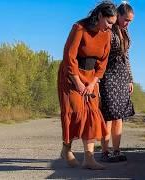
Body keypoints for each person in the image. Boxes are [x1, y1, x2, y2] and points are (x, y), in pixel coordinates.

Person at [57, 1, 117, 170]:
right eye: (108, 22)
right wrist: (77, 82)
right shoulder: (79, 28)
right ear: (99, 16)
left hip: (91, 78)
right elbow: (69, 56)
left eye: (113, 23)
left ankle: (89, 158)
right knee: (74, 113)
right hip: (71, 75)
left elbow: (102, 63)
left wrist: (92, 83)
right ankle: (66, 148)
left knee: (91, 115)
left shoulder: (107, 34)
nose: (110, 27)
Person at [99, 2, 135, 162]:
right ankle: (104, 152)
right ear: (118, 15)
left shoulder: (126, 32)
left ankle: (116, 151)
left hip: (121, 76)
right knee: (108, 115)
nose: (127, 23)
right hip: (107, 75)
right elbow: (102, 55)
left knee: (119, 116)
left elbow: (126, 57)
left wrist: (130, 79)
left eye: (130, 21)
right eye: (126, 19)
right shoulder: (108, 30)